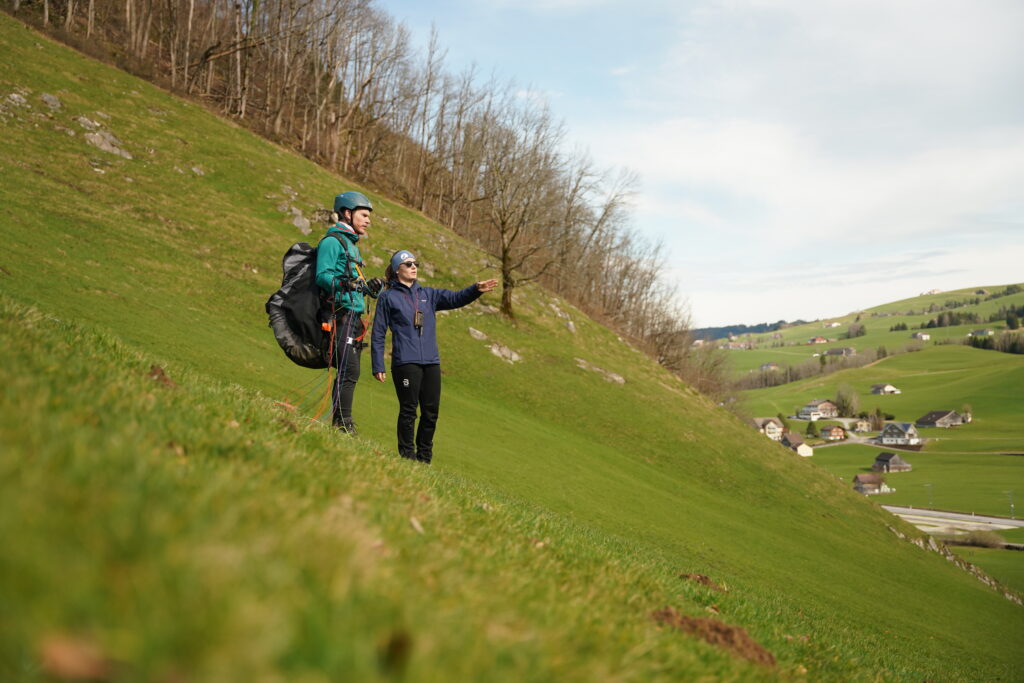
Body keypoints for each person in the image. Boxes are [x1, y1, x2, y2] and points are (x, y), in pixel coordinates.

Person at [371, 249, 498, 463]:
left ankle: (424, 458)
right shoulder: (387, 297)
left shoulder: (427, 295)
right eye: (408, 264)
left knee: (431, 413)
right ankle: (407, 456)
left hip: (431, 362)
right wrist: (378, 364)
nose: (414, 267)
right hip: (405, 362)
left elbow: (456, 298)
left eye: (415, 264)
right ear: (397, 270)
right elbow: (378, 332)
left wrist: (476, 290)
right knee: (409, 411)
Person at [315, 191, 383, 435]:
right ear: (347, 212)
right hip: (340, 314)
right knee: (349, 370)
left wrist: (369, 287)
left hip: (354, 318)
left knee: (350, 370)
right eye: (363, 215)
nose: (368, 220)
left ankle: (341, 422)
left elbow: (354, 280)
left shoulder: (352, 246)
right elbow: (323, 275)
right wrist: (345, 284)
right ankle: (343, 423)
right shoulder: (332, 242)